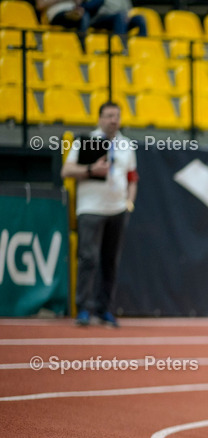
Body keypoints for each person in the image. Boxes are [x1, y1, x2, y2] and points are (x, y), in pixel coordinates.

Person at [61, 101, 137, 328]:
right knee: (88, 258)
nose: (113, 120)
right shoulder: (85, 142)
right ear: (99, 119)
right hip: (91, 209)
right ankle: (83, 308)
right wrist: (90, 170)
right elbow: (66, 170)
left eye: (116, 116)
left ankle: (104, 309)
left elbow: (133, 177)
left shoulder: (126, 145)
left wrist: (129, 203)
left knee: (110, 261)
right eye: (108, 116)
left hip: (117, 210)